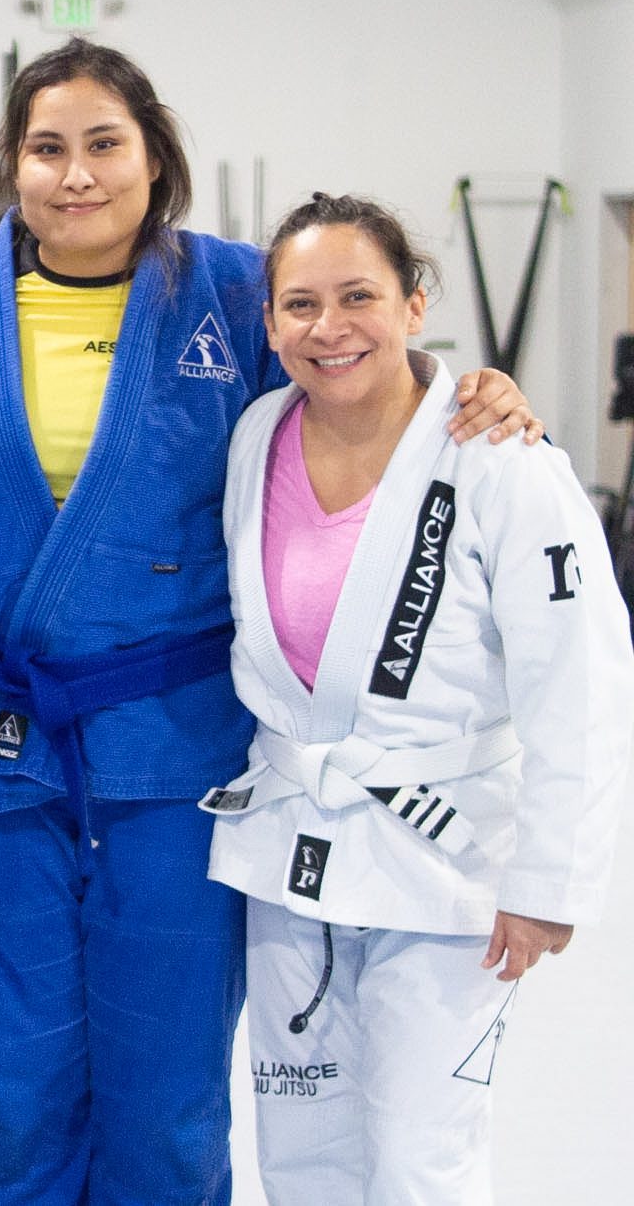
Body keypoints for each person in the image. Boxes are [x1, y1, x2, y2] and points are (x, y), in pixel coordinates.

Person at [0, 37, 539, 1205]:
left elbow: (349, 359)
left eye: (103, 144)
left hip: (177, 754)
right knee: (8, 1084)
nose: (75, 174)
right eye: (45, 147)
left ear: (153, 156)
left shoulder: (232, 292)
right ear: (9, 164)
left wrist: (459, 386)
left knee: (166, 1085)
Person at [200, 193, 633, 1204]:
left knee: (418, 1159)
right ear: (269, 325)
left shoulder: (501, 460)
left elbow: (578, 677)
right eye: (300, 304)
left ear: (413, 305)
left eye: (358, 296)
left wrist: (549, 878)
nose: (329, 326)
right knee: (301, 1151)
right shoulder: (257, 432)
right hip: (290, 848)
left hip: (442, 857)